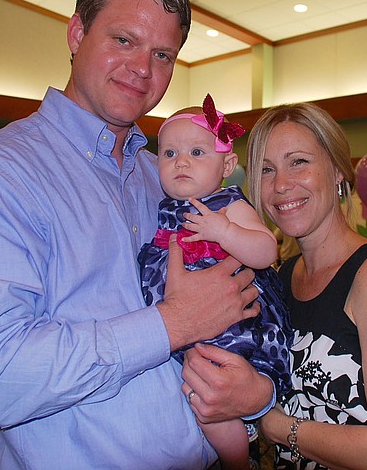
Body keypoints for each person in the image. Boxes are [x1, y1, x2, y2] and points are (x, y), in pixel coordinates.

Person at [0, 0, 274, 469]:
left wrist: (257, 394)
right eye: (123, 39)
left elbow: (239, 297)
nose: (143, 68)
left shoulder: (161, 174)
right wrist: (172, 323)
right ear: (76, 32)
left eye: (163, 53)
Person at [246, 103, 367, 470]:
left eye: (298, 162)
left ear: (336, 170)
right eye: (266, 170)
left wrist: (276, 426)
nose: (281, 184)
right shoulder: (281, 278)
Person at [139, 94, 292, 470]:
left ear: (227, 164)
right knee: (196, 393)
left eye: (196, 152)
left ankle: (238, 461)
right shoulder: (164, 209)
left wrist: (224, 231)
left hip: (231, 326)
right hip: (183, 326)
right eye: (169, 154)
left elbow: (265, 251)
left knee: (209, 394)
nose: (182, 162)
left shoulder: (228, 204)